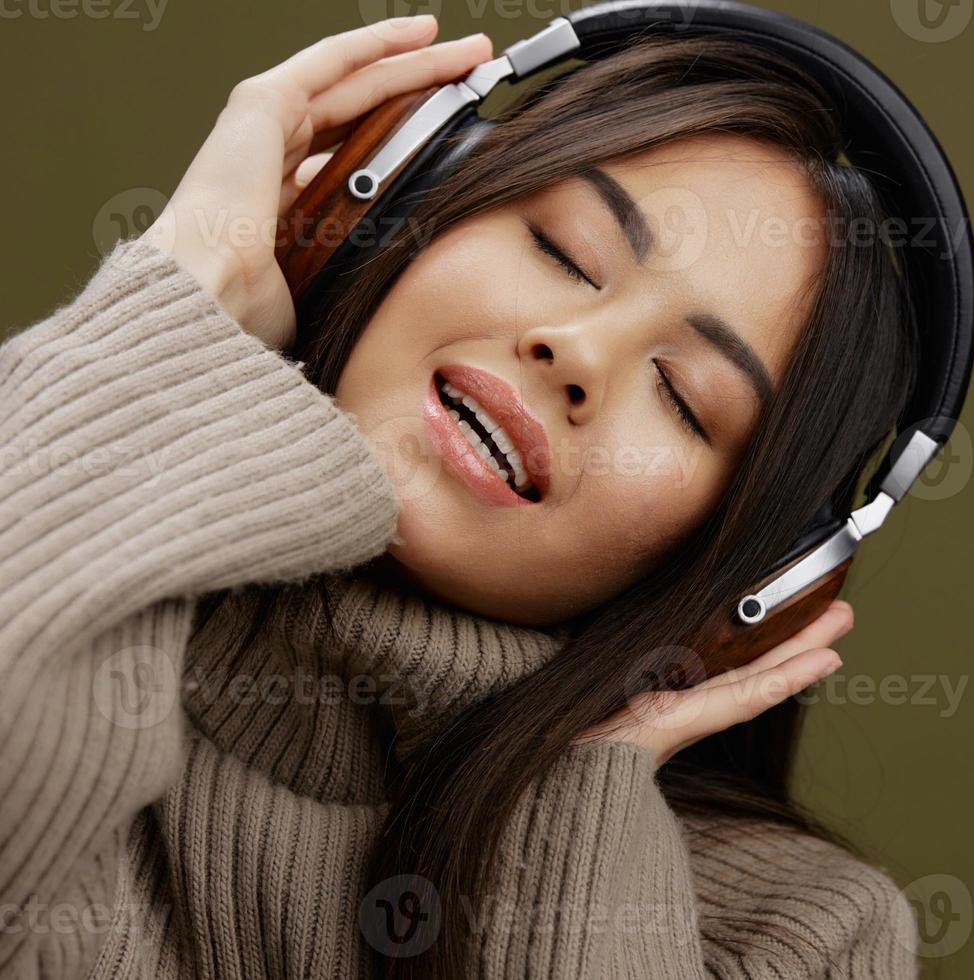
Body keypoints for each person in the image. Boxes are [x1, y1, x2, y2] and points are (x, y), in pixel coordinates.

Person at [0, 15, 922, 978]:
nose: (576, 349)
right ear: (395, 206)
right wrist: (181, 310)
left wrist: (567, 839)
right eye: (565, 251)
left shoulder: (805, 938)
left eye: (685, 399)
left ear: (752, 579)